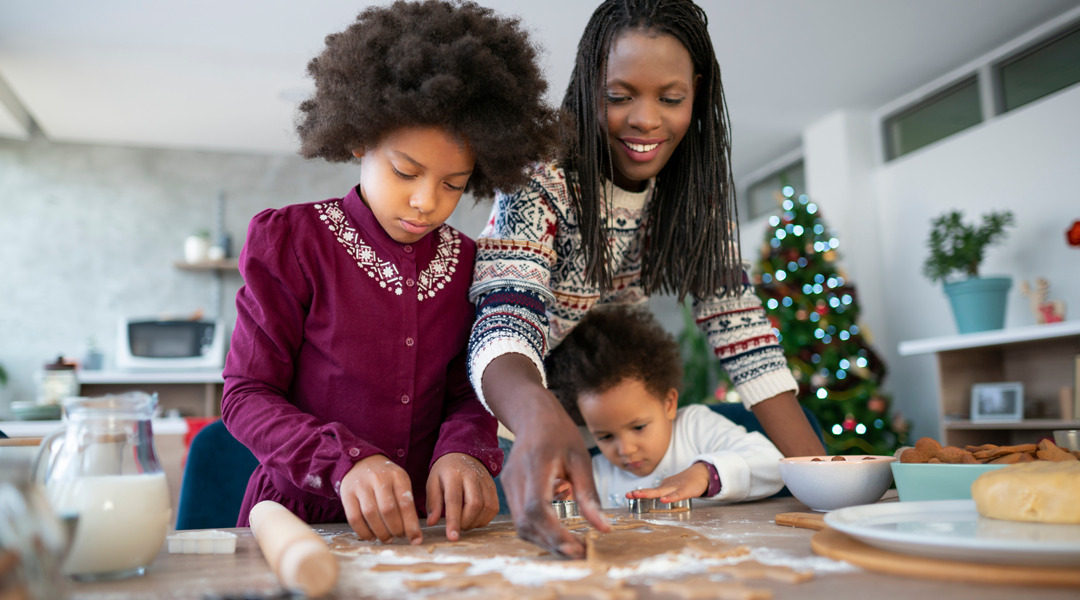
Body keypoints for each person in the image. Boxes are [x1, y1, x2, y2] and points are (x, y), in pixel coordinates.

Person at [467, 0, 826, 557]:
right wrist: (536, 415)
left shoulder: (694, 196)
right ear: (589, 88)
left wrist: (823, 480)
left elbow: (740, 328)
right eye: (618, 96)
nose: (646, 119)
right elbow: (505, 316)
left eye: (671, 98)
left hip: (579, 418)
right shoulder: (543, 175)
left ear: (697, 94)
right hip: (499, 409)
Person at [222, 0, 559, 546]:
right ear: (360, 137)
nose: (426, 201)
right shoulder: (292, 241)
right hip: (299, 524)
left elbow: (467, 391)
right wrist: (344, 461)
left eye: (453, 184)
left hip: (426, 526)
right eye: (406, 170)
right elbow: (247, 395)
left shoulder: (472, 264)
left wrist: (463, 452)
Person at [546, 306, 783, 509]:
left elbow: (772, 465)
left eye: (638, 427)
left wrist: (704, 475)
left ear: (668, 404)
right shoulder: (596, 474)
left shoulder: (695, 426)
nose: (625, 449)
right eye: (605, 436)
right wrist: (568, 499)